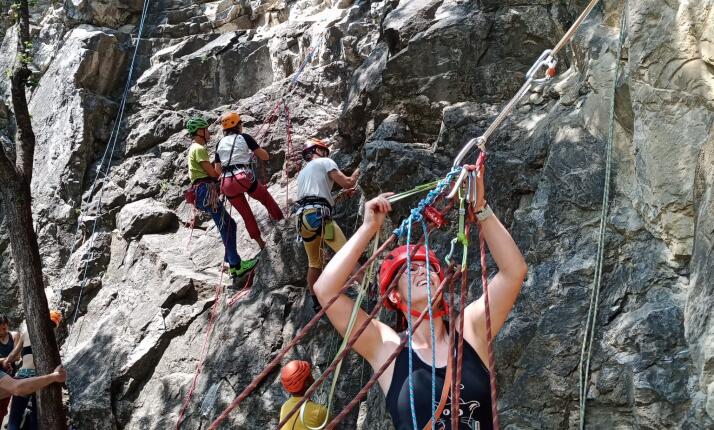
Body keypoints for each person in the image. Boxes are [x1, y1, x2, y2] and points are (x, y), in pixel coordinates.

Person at [313, 166, 527, 429]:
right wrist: (368, 229)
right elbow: (326, 291)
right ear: (393, 294)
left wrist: (481, 208)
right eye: (410, 269)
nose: (423, 271)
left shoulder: (469, 330)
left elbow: (513, 272)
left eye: (428, 266)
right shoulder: (386, 348)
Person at [185, 116, 257, 280]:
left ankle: (230, 259)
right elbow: (213, 173)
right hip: (205, 191)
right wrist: (232, 164)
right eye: (206, 130)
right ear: (200, 131)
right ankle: (236, 265)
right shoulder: (198, 149)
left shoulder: (195, 149)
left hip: (202, 191)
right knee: (228, 225)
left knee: (227, 224)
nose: (209, 133)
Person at [295, 138, 359, 310]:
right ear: (320, 151)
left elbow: (314, 197)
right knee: (348, 253)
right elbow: (348, 182)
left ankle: (315, 302)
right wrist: (361, 167)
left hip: (303, 220)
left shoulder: (302, 173)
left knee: (314, 263)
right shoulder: (325, 162)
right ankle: (372, 289)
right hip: (319, 216)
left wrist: (339, 196)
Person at [214, 111, 284, 250]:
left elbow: (217, 170)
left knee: (246, 215)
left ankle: (261, 244)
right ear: (237, 125)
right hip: (243, 177)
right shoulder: (244, 137)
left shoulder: (219, 143)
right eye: (240, 123)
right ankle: (282, 222)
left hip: (227, 183)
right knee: (265, 197)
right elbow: (264, 157)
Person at [3, 311, 68, 430]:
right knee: (35, 418)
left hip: (24, 376)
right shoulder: (53, 335)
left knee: (14, 418)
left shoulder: (26, 333)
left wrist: (6, 362)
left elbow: (13, 354)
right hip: (40, 380)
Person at [279, 360, 328, 430]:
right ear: (307, 383)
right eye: (310, 375)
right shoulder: (319, 412)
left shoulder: (285, 407)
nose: (313, 378)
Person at [0, 314, 19, 423]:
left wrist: (4, 360)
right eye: (1, 328)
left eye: (4, 327)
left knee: (2, 409)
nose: (3, 331)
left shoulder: (14, 335)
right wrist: (5, 360)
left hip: (9, 377)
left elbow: (17, 356)